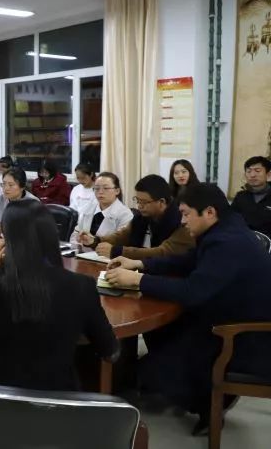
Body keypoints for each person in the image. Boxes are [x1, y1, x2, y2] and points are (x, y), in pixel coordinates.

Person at [104, 184, 271, 434]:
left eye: (186, 214)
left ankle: (210, 406)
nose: (182, 221)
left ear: (209, 212)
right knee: (159, 333)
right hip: (227, 313)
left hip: (244, 338)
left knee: (155, 367)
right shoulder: (225, 228)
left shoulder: (227, 242)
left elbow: (192, 291)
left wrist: (138, 280)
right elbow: (188, 261)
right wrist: (140, 264)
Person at [0, 200, 118, 390]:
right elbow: (109, 350)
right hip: (59, 396)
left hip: (2, 395)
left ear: (8, 240)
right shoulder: (82, 285)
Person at [79, 174, 195, 259]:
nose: (139, 206)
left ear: (161, 202)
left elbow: (162, 252)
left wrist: (118, 251)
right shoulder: (142, 217)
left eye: (144, 202)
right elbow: (122, 235)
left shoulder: (182, 221)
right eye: (137, 200)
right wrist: (96, 241)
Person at [71, 172, 133, 243]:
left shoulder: (125, 214)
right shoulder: (88, 207)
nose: (100, 192)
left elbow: (119, 242)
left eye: (106, 188)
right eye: (97, 188)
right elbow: (75, 234)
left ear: (117, 191)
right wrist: (78, 241)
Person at [230, 155, 271, 238]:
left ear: (268, 175)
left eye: (257, 171)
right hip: (243, 240)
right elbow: (231, 220)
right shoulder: (240, 197)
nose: (252, 175)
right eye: (248, 171)